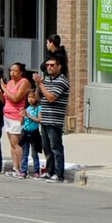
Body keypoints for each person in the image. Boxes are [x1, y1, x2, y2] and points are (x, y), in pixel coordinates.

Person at [35, 55, 71, 183]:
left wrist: (40, 84)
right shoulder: (47, 80)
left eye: (52, 65)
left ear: (59, 67)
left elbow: (51, 97)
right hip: (45, 119)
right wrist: (38, 85)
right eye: (47, 65)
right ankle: (49, 171)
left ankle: (58, 174)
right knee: (47, 148)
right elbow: (39, 98)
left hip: (54, 120)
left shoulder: (62, 81)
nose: (49, 67)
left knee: (56, 148)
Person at [0, 61, 32, 178]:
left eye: (15, 71)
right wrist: (0, 92)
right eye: (11, 71)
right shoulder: (9, 83)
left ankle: (20, 168)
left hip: (16, 116)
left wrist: (4, 88)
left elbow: (15, 98)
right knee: (11, 144)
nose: (12, 73)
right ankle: (15, 167)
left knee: (16, 143)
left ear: (21, 72)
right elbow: (5, 100)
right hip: (7, 115)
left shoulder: (24, 82)